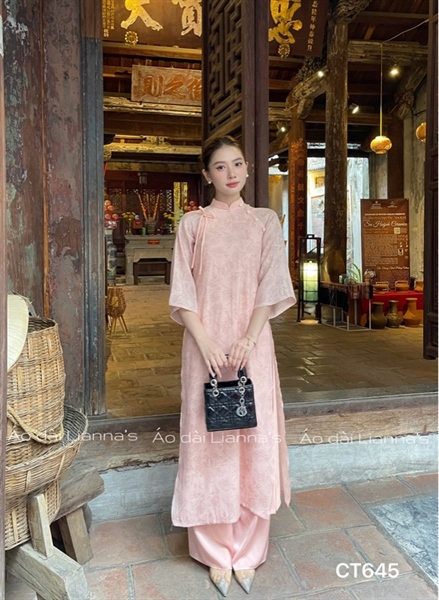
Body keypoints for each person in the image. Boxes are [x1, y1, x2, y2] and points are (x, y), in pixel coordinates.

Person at [169, 136, 296, 596]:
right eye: (220, 167)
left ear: (247, 168)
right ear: (207, 175)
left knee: (252, 440)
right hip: (203, 348)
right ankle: (214, 551)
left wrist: (248, 338)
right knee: (209, 441)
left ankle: (248, 549)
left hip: (251, 348)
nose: (231, 173)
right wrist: (205, 341)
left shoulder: (264, 221)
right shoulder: (193, 224)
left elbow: (270, 285)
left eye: (237, 164)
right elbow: (182, 291)